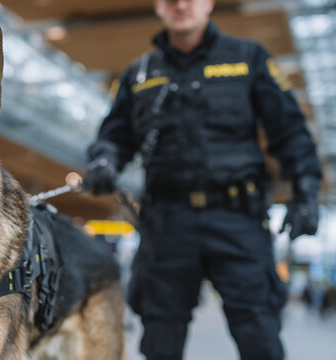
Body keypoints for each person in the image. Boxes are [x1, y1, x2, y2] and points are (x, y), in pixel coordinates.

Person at [83, 0, 321, 359]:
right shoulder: (140, 73)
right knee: (160, 339)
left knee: (260, 335)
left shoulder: (249, 58)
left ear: (209, 3)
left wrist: (305, 191)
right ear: (158, 6)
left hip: (238, 219)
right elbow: (114, 135)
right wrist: (103, 161)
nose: (181, 5)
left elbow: (290, 132)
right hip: (166, 223)